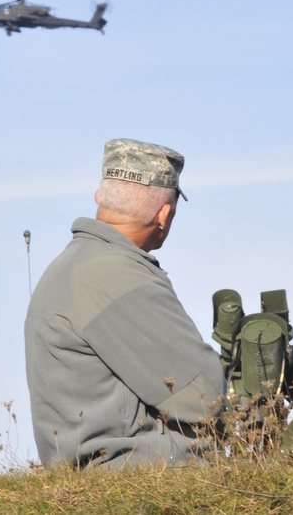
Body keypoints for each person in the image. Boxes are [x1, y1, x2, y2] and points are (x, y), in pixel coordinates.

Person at [25, 138, 226, 468]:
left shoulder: (75, 264)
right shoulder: (114, 272)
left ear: (99, 198)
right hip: (132, 471)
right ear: (165, 213)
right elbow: (202, 398)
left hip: (98, 470)